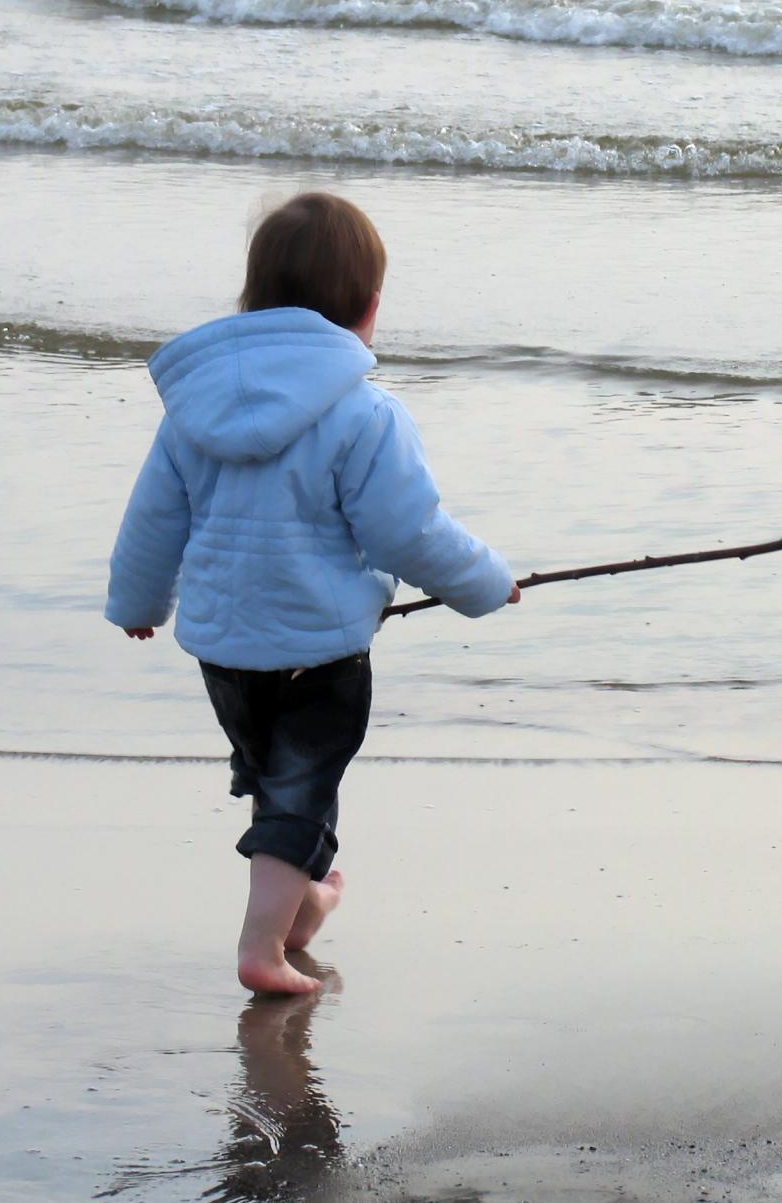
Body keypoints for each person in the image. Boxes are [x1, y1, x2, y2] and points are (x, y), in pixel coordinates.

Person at [106, 191, 518, 995]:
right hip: (319, 652)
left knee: (286, 784)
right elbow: (409, 534)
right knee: (297, 792)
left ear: (253, 298)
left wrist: (138, 604)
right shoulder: (364, 413)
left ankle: (300, 912)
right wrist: (487, 583)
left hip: (223, 651)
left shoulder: (193, 413)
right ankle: (261, 949)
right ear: (370, 308)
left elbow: (154, 519)